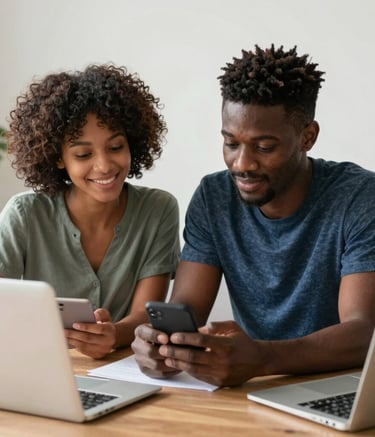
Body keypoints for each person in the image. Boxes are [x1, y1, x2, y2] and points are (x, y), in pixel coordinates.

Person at [131, 44, 375, 387]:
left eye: (264, 147)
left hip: (345, 386)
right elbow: (186, 308)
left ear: (308, 136)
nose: (242, 164)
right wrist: (163, 344)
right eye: (231, 143)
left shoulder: (360, 197)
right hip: (259, 389)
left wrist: (262, 357)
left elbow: (363, 332)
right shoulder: (213, 197)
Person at [0, 64, 180, 359]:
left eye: (116, 147)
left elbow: (146, 315)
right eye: (83, 154)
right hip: (41, 364)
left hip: (126, 370)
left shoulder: (158, 210)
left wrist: (112, 336)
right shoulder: (25, 214)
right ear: (58, 158)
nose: (105, 166)